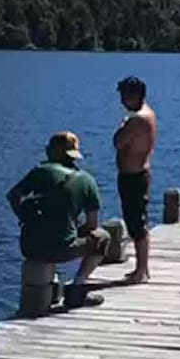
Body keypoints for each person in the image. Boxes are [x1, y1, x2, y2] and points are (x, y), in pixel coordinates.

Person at [7, 131, 108, 306]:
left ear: (53, 151)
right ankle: (76, 287)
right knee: (103, 238)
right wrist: (73, 229)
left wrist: (24, 217)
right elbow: (92, 225)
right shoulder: (87, 181)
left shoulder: (40, 171)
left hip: (30, 247)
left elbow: (13, 196)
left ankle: (53, 287)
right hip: (62, 250)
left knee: (47, 233)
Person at [114, 76, 157, 284]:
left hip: (133, 176)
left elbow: (118, 141)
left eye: (125, 95)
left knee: (137, 224)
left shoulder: (137, 119)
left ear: (136, 95)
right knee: (137, 222)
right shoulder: (147, 114)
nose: (122, 100)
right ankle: (142, 269)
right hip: (136, 174)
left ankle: (141, 271)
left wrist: (123, 126)